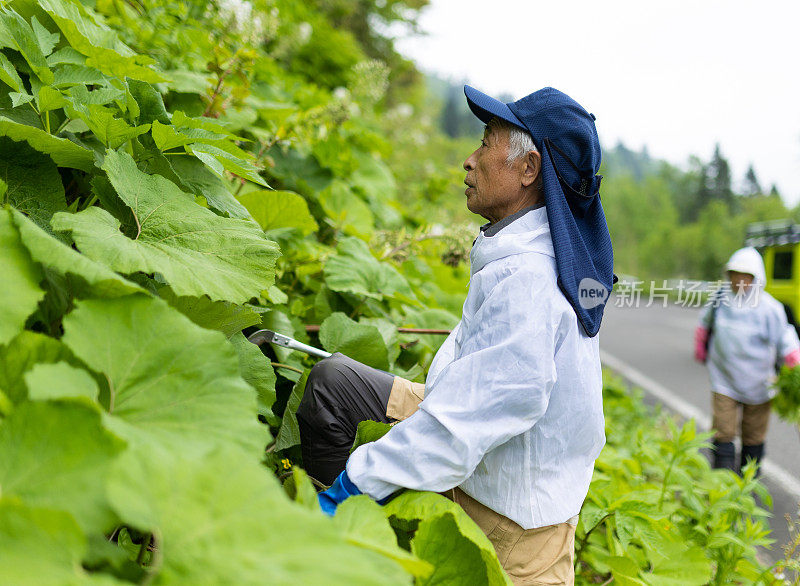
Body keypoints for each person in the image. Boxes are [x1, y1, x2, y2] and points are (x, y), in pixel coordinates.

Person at [298, 85, 616, 585]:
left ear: (529, 169)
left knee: (369, 479)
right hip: (487, 449)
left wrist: (349, 488)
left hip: (513, 528)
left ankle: (332, 549)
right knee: (334, 386)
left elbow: (458, 430)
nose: (469, 160)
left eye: (487, 142)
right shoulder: (526, 250)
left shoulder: (529, 283)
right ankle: (348, 557)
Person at [694, 246, 800, 473]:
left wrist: (793, 358)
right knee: (723, 430)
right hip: (724, 379)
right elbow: (705, 322)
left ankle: (748, 480)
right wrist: (700, 343)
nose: (739, 280)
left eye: (745, 276)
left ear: (756, 278)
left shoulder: (769, 307)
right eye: (734, 274)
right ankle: (722, 479)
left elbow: (785, 336)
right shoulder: (720, 299)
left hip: (759, 382)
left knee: (753, 434)